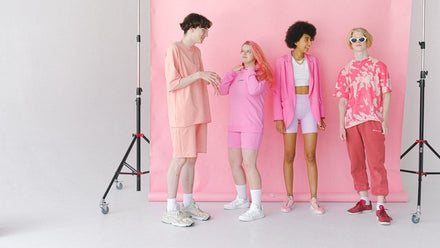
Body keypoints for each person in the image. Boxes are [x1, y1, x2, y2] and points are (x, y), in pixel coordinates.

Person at [162, 13, 220, 227]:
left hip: (198, 110)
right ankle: (170, 209)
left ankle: (187, 203)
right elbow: (173, 83)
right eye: (204, 30)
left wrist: (208, 79)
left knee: (192, 158)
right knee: (179, 158)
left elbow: (197, 78)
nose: (206, 35)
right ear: (193, 28)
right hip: (182, 113)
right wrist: (199, 75)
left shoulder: (196, 51)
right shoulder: (174, 49)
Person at [335, 27, 392, 225]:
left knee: (376, 162)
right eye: (354, 38)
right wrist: (341, 124)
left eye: (361, 38)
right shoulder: (346, 70)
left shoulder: (379, 66)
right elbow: (342, 99)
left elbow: (386, 93)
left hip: (373, 118)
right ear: (349, 43)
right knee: (356, 163)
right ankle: (364, 199)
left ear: (368, 40)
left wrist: (384, 119)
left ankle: (381, 205)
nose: (358, 41)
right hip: (352, 121)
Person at [273, 21, 326, 214]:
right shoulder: (282, 62)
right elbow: (277, 91)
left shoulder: (313, 61)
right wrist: (278, 117)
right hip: (289, 111)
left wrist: (321, 114)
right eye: (306, 39)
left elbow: (318, 89)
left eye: (311, 39)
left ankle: (314, 198)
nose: (309, 43)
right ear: (296, 40)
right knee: (289, 155)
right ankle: (289, 197)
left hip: (310, 108)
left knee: (311, 155)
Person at [219, 41, 273, 221]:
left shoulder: (261, 75)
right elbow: (222, 90)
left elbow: (253, 90)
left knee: (250, 164)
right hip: (234, 126)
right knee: (234, 163)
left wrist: (250, 70)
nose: (244, 54)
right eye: (242, 51)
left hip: (252, 125)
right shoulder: (237, 73)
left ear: (256, 54)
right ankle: (242, 199)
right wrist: (231, 72)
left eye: (248, 51)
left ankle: (257, 207)